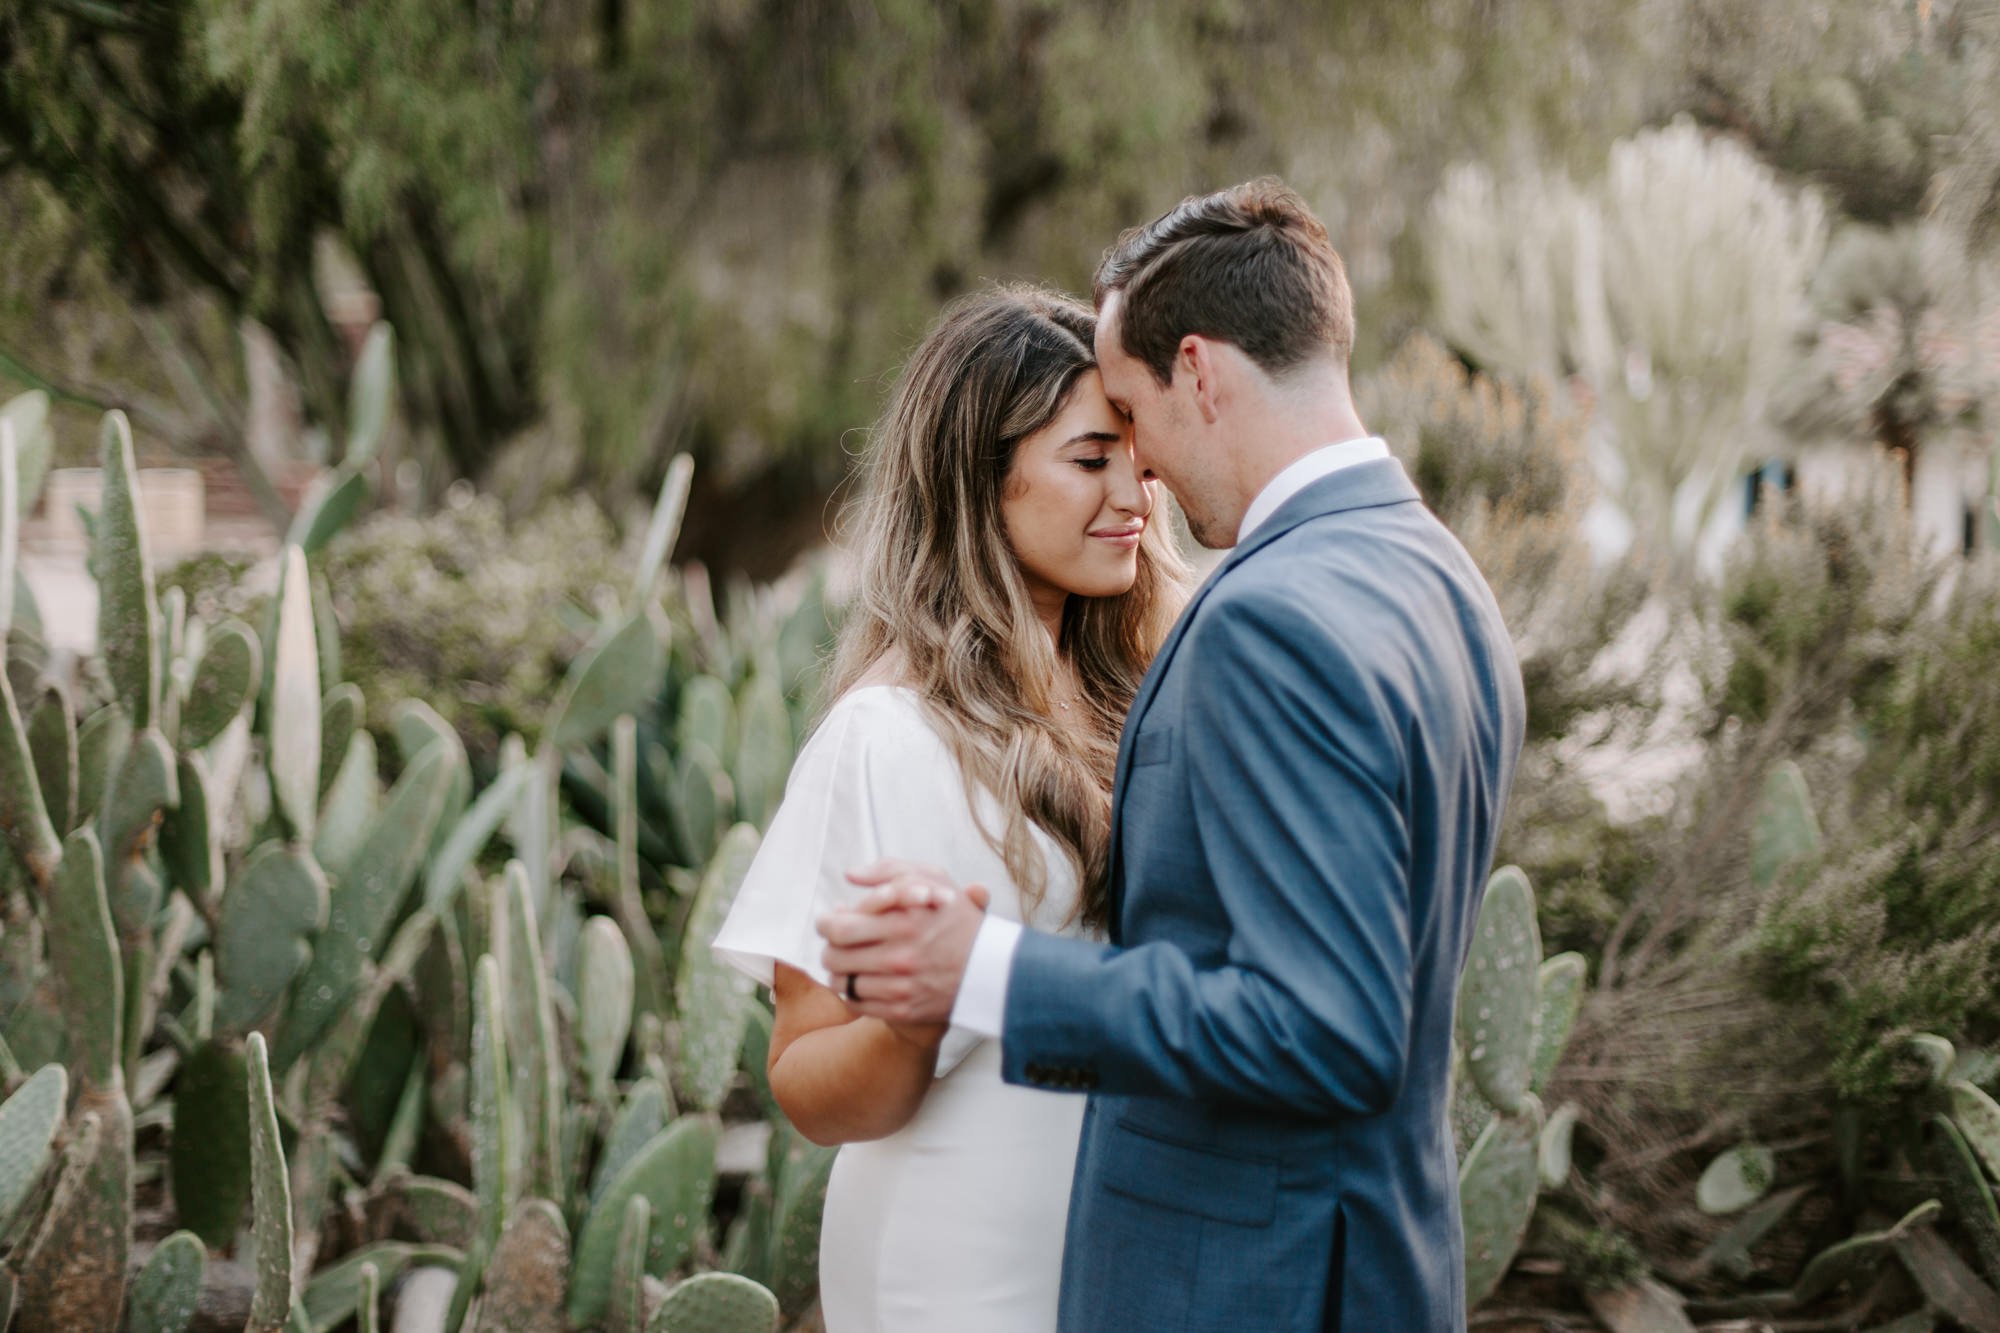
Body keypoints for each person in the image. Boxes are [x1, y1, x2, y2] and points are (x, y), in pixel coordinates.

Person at [819, 179, 1528, 1330]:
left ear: (1196, 371)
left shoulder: (1268, 617)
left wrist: (989, 972)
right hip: (1374, 1261)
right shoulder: (1435, 572)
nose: (1137, 472)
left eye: (1132, 415)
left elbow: (1321, 1027)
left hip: (1250, 1285)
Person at [710, 286, 1189, 1330]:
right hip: (960, 1264)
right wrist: (918, 1018)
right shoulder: (887, 738)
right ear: (979, 480)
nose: (1134, 499)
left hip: (1118, 1249)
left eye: (1135, 459)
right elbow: (802, 1081)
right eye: (1087, 459)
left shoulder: (1145, 705)